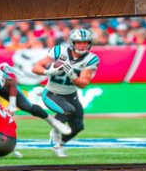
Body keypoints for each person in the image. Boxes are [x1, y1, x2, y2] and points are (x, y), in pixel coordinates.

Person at [37, 26, 100, 157]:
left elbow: (83, 84)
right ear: (72, 42)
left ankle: (59, 145)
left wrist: (72, 76)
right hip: (51, 93)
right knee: (68, 110)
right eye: (79, 42)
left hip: (71, 95)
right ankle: (55, 130)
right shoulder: (59, 51)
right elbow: (36, 67)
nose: (82, 45)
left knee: (78, 126)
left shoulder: (91, 59)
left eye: (85, 42)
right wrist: (48, 71)